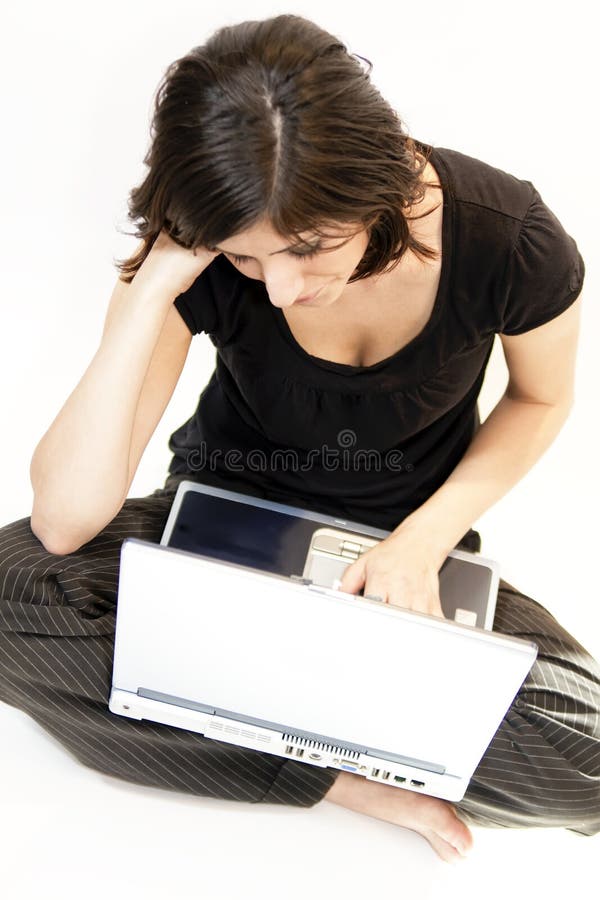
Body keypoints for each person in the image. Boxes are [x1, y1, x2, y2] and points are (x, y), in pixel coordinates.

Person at [0, 13, 598, 865]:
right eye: (247, 259)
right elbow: (64, 523)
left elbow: (542, 400)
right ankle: (338, 774)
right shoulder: (199, 267)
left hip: (398, 564)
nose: (280, 289)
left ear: (380, 183)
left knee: (590, 766)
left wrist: (419, 544)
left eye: (310, 248)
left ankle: (229, 713)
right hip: (222, 533)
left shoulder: (510, 237)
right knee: (7, 592)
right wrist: (147, 295)